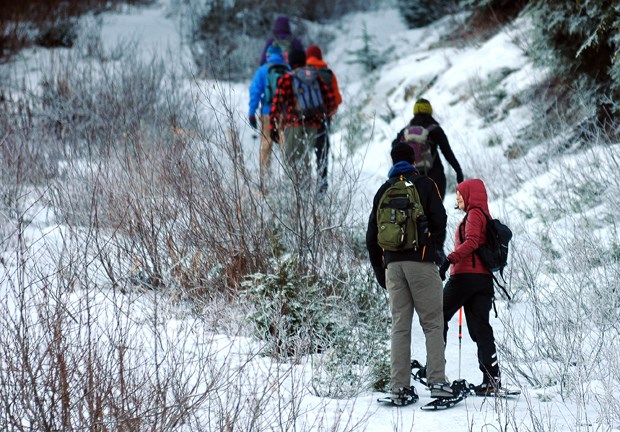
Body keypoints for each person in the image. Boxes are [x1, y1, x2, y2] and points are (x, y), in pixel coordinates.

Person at [366, 143, 453, 405]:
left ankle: (399, 387)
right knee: (433, 324)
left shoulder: (383, 191)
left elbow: (372, 238)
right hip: (421, 263)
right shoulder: (425, 185)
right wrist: (434, 251)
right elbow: (441, 219)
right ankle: (437, 383)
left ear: (393, 161)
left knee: (400, 327)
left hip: (393, 267)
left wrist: (382, 273)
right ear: (413, 160)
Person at [439, 178, 502, 395]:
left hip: (465, 277)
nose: (457, 198)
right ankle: (491, 380)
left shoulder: (475, 213)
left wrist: (450, 259)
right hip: (483, 281)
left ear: (470, 195)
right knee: (481, 328)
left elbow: (473, 241)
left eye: (459, 193)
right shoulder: (483, 214)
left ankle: (435, 372)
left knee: (437, 316)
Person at [269, 48, 336, 175]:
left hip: (293, 126)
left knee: (293, 165)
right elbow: (330, 102)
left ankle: (295, 193)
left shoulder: (286, 79)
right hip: (314, 128)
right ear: (304, 61)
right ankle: (310, 191)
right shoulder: (316, 77)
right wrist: (322, 120)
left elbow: (276, 106)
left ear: (291, 61)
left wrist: (273, 128)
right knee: (308, 160)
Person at [392, 98, 464, 200]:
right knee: (436, 211)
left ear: (415, 111)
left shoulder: (405, 132)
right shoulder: (435, 130)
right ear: (429, 111)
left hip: (410, 178)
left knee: (414, 211)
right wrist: (458, 171)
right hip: (434, 176)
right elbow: (447, 153)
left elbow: (394, 148)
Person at [248, 43, 290, 181]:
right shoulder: (287, 69)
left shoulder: (262, 70)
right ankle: (290, 177)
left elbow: (255, 92)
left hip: (267, 111)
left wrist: (251, 112)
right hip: (284, 112)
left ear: (268, 55)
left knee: (266, 143)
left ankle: (265, 179)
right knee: (286, 144)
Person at [305, 44, 342, 193]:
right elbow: (337, 99)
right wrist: (329, 113)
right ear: (320, 56)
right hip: (322, 121)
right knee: (322, 154)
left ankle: (302, 187)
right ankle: (322, 187)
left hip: (304, 122)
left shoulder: (302, 73)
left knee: (303, 155)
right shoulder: (328, 74)